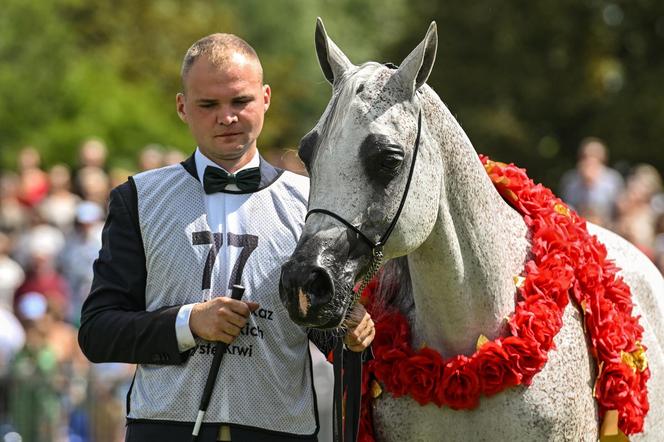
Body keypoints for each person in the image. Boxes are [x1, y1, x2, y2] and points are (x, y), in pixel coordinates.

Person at [78, 33, 375, 442]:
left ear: (265, 98)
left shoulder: (311, 202)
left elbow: (320, 325)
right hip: (166, 429)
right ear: (183, 107)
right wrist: (190, 322)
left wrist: (351, 332)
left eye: (240, 101)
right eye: (208, 104)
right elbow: (98, 332)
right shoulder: (138, 198)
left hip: (279, 430)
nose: (227, 117)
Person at [559, 137, 624, 227]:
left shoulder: (612, 180)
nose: (589, 161)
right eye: (585, 157)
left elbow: (617, 210)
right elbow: (565, 207)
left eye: (595, 157)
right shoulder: (570, 180)